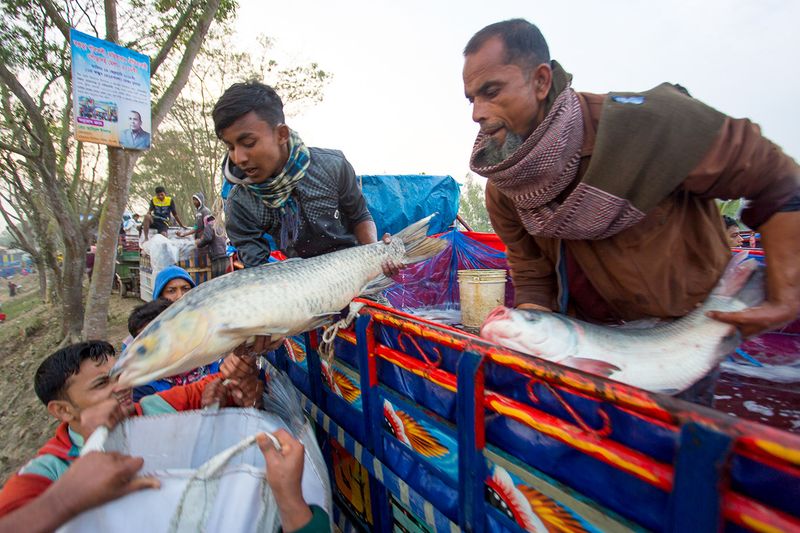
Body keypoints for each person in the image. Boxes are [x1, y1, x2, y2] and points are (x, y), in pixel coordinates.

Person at [463, 20, 800, 400]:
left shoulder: (647, 125)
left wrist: (787, 291)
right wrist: (529, 329)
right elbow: (531, 270)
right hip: (583, 347)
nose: (477, 112)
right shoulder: (505, 186)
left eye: (491, 91)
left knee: (677, 451)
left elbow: (777, 177)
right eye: (471, 98)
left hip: (678, 340)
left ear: (541, 81)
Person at [0, 341, 261, 517]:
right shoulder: (50, 468)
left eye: (120, 374)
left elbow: (222, 381)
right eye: (102, 383)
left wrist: (238, 371)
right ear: (63, 411)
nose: (122, 386)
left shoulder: (155, 408)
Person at [213, 81, 379, 267]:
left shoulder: (333, 166)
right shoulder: (240, 202)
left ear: (282, 134)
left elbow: (360, 216)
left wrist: (375, 256)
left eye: (249, 142)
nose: (238, 157)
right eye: (230, 147)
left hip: (353, 268)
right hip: (299, 280)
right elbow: (257, 268)